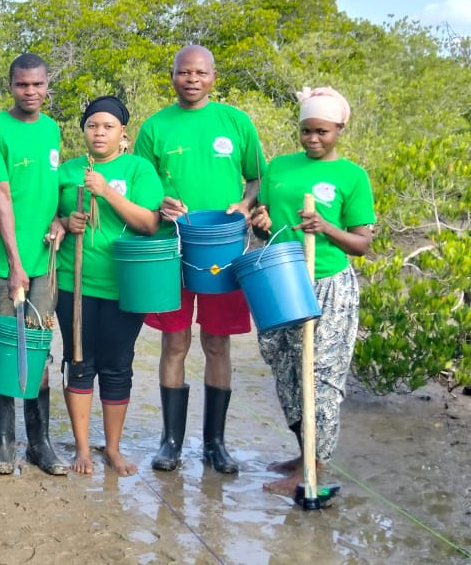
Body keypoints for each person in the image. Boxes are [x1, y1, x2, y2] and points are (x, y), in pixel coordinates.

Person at [134, 44, 264, 474]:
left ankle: (215, 443)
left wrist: (246, 206)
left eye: (200, 72)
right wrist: (159, 204)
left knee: (217, 342)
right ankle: (170, 442)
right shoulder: (155, 127)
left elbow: (257, 179)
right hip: (172, 250)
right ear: (171, 76)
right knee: (174, 341)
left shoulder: (236, 121)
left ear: (213, 75)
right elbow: (141, 186)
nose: (191, 79)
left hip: (223, 250)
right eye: (183, 72)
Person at [248, 87, 374, 497]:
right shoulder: (280, 166)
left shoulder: (352, 176)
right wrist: (260, 219)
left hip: (326, 282)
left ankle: (314, 470)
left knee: (319, 377)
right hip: (281, 278)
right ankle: (304, 454)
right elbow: (261, 216)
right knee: (286, 369)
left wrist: (326, 228)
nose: (314, 139)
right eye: (306, 131)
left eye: (323, 132)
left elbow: (361, 243)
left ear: (339, 128)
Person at [54, 96, 162, 476]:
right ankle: (83, 448)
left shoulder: (138, 169)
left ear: (123, 134)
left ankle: (113, 449)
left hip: (124, 285)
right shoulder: (66, 170)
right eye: (92, 126)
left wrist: (107, 190)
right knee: (79, 362)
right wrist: (65, 223)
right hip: (74, 283)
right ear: (83, 131)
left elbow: (149, 223)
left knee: (118, 366)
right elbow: (51, 217)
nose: (99, 133)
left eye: (108, 127)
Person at [0, 52, 68, 476]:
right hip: (1, 264)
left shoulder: (52, 129)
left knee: (39, 349)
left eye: (37, 84)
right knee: (2, 350)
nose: (30, 92)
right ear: (9, 85)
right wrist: (14, 262)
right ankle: (4, 444)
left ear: (48, 85)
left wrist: (58, 220)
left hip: (44, 265)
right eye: (21, 85)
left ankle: (40, 443)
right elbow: (2, 198)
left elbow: (46, 191)